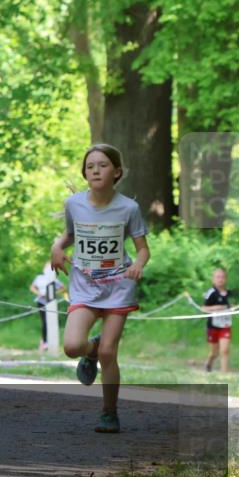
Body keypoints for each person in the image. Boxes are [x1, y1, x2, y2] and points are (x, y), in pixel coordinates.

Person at [52, 144, 150, 434]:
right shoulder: (74, 204)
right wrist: (56, 247)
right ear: (84, 173)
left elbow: (142, 249)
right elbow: (69, 235)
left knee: (110, 352)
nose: (95, 170)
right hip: (85, 286)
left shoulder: (128, 208)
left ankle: (109, 413)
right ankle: (89, 351)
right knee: (71, 346)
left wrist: (138, 265)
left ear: (116, 172)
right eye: (90, 166)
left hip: (119, 286)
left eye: (103, 165)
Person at [30, 263, 67, 352]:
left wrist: (54, 294)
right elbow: (32, 287)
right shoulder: (39, 278)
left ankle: (52, 342)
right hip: (41, 302)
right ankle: (44, 342)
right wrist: (39, 293)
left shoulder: (54, 280)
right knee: (45, 322)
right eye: (47, 267)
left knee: (53, 321)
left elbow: (63, 288)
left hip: (52, 302)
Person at [203, 267, 234, 373]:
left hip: (225, 326)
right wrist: (216, 308)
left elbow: (234, 306)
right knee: (214, 352)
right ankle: (209, 362)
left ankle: (224, 373)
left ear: (226, 279)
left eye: (223, 277)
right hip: (213, 326)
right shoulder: (211, 293)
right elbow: (204, 308)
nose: (220, 279)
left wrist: (233, 308)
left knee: (224, 350)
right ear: (213, 279)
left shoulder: (230, 294)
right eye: (218, 277)